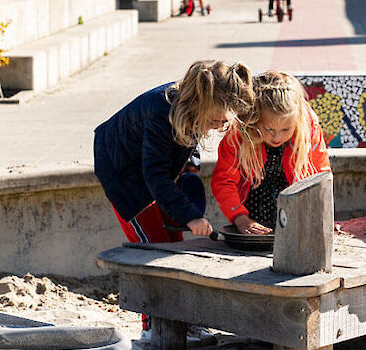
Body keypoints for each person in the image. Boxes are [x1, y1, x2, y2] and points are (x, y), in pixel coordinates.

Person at [94, 60, 253, 338]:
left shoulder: (192, 107)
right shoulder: (161, 112)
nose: (218, 127)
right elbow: (154, 175)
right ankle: (152, 326)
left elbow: (188, 145)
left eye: (223, 122)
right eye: (215, 121)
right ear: (200, 103)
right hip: (123, 175)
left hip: (153, 172)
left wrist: (189, 170)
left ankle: (183, 320)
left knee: (176, 253)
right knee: (153, 253)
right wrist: (189, 216)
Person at [211, 70, 331, 235]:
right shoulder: (239, 134)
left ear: (296, 122)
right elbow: (224, 181)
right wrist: (239, 218)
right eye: (269, 129)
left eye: (285, 129)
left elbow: (321, 176)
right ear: (256, 119)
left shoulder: (308, 127)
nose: (277, 137)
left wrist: (324, 216)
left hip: (295, 207)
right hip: (251, 209)